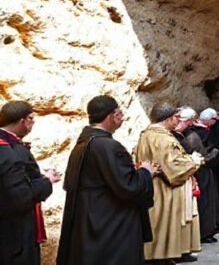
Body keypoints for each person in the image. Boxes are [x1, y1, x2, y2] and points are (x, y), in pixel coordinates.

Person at [57, 95, 157, 265]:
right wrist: (146, 172)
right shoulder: (108, 146)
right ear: (111, 115)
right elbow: (129, 186)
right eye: (119, 113)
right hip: (110, 221)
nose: (122, 118)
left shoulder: (83, 143)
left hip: (89, 217)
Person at [135, 102, 203, 264]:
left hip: (152, 185)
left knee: (156, 222)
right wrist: (194, 161)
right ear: (169, 118)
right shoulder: (163, 138)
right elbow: (173, 168)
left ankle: (159, 256)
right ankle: (160, 257)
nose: (178, 121)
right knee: (163, 223)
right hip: (164, 189)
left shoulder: (146, 135)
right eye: (176, 118)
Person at [0, 101, 58, 265]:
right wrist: (47, 181)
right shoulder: (10, 152)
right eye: (32, 118)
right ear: (24, 121)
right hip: (13, 234)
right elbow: (21, 196)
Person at [183, 108, 219, 243]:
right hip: (201, 171)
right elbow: (203, 154)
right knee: (205, 203)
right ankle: (205, 232)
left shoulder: (190, 134)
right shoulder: (194, 135)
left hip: (195, 170)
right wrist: (214, 154)